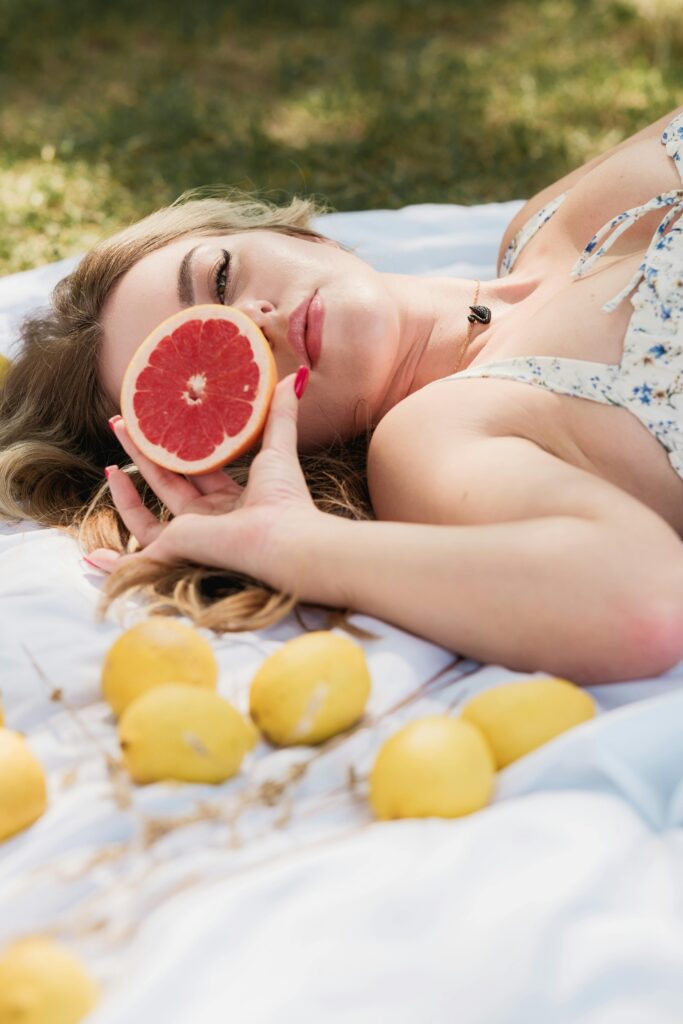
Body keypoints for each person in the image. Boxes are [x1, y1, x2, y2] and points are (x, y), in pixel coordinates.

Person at [2, 108, 683, 684]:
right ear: (246, 451)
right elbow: (644, 602)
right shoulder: (436, 439)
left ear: (292, 232)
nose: (256, 321)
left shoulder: (543, 223)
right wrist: (292, 545)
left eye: (221, 277)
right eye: (216, 369)